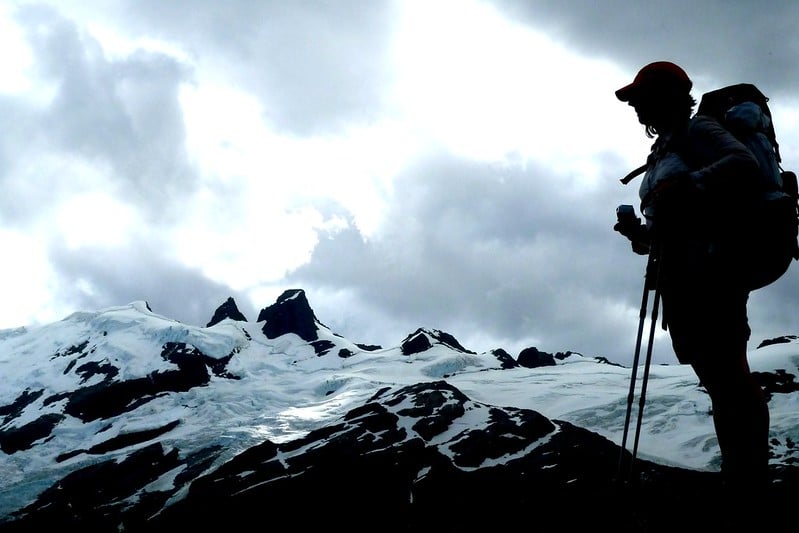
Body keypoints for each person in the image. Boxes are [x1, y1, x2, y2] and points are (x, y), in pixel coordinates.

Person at [612, 62, 771, 500]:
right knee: (720, 381)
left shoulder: (697, 130)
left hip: (712, 274)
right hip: (684, 276)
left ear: (664, 98)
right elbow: (667, 225)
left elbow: (743, 165)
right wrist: (638, 236)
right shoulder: (665, 147)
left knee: (729, 380)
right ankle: (742, 476)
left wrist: (689, 185)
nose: (637, 109)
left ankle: (750, 482)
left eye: (641, 100)